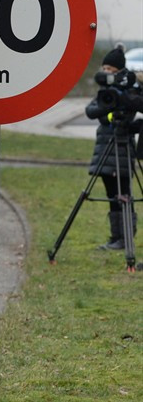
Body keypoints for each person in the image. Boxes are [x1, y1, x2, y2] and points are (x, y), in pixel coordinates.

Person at [85, 45, 143, 251]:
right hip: (105, 149)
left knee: (124, 195)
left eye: (110, 68)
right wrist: (108, 108)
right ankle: (116, 237)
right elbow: (91, 111)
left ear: (119, 71)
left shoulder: (130, 90)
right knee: (112, 195)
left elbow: (136, 106)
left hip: (122, 148)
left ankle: (126, 239)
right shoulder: (106, 92)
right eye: (104, 68)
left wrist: (123, 100)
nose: (106, 72)